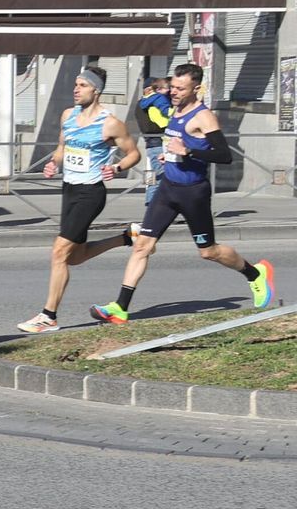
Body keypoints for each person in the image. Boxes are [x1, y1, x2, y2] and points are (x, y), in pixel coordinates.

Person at [90, 63, 275, 324]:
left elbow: (224, 155)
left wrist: (187, 152)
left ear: (196, 88)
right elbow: (176, 143)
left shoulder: (204, 117)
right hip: (168, 189)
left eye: (180, 88)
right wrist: (171, 156)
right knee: (142, 245)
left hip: (193, 193)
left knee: (208, 252)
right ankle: (120, 307)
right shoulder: (176, 108)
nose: (173, 93)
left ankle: (255, 274)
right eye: (173, 87)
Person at [16, 66, 142, 333]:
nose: (76, 89)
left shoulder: (110, 123)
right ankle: (126, 237)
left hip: (91, 193)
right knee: (74, 257)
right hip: (69, 190)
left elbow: (133, 153)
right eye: (76, 84)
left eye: (82, 85)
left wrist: (117, 168)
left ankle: (48, 316)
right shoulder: (68, 116)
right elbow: (63, 146)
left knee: (59, 252)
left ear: (96, 90)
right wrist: (54, 163)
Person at [136, 76, 172, 207]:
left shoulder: (140, 104)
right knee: (159, 176)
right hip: (158, 142)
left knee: (152, 175)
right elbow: (161, 122)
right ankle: (153, 205)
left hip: (149, 143)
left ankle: (150, 202)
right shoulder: (154, 104)